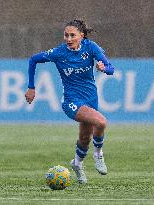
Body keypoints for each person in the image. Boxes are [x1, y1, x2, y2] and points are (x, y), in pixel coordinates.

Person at [25, 19, 114, 184]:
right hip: (71, 101)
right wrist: (31, 87)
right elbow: (33, 59)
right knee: (101, 122)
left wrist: (103, 68)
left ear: (81, 36)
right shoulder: (58, 53)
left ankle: (77, 164)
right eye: (66, 35)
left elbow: (111, 68)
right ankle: (98, 155)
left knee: (85, 137)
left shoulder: (91, 47)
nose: (68, 39)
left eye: (72, 35)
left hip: (90, 99)